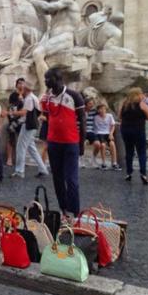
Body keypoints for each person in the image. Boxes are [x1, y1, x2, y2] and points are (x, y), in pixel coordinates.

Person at [41, 68, 86, 219]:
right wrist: (46, 140)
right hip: (54, 143)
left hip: (71, 143)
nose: (45, 82)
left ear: (57, 79)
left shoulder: (74, 96)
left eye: (48, 79)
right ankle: (63, 209)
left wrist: (82, 145)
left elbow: (83, 121)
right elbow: (47, 119)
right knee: (57, 178)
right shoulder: (47, 98)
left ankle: (75, 211)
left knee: (71, 179)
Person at [11, 81, 48, 178]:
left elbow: (24, 112)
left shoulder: (29, 98)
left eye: (22, 88)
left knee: (20, 147)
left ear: (26, 89)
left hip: (28, 126)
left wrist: (12, 113)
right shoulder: (33, 97)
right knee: (32, 148)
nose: (21, 90)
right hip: (33, 126)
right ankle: (43, 169)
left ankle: (19, 171)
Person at [119, 87, 148, 185]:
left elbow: (120, 116)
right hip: (138, 130)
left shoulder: (124, 104)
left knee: (129, 151)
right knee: (141, 152)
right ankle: (143, 174)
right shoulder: (142, 104)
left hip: (126, 130)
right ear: (138, 94)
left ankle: (129, 173)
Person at [94, 104, 121, 171]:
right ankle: (103, 163)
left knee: (112, 144)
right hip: (100, 133)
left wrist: (111, 133)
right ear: (98, 110)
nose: (102, 110)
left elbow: (113, 125)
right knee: (103, 145)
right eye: (101, 109)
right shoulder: (96, 117)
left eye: (104, 109)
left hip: (108, 133)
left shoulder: (109, 116)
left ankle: (114, 163)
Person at [6, 78, 25, 166]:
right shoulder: (13, 95)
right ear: (16, 85)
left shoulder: (26, 95)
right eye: (19, 83)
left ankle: (20, 160)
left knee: (22, 141)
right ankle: (9, 158)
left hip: (23, 121)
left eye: (23, 83)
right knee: (11, 139)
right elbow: (11, 107)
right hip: (14, 120)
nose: (21, 85)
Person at [82, 98, 99, 168]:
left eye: (92, 103)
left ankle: (93, 159)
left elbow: (103, 109)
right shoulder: (81, 111)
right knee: (82, 144)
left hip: (91, 131)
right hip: (82, 131)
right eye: (90, 104)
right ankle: (81, 159)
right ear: (85, 104)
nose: (91, 105)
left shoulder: (94, 111)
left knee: (98, 144)